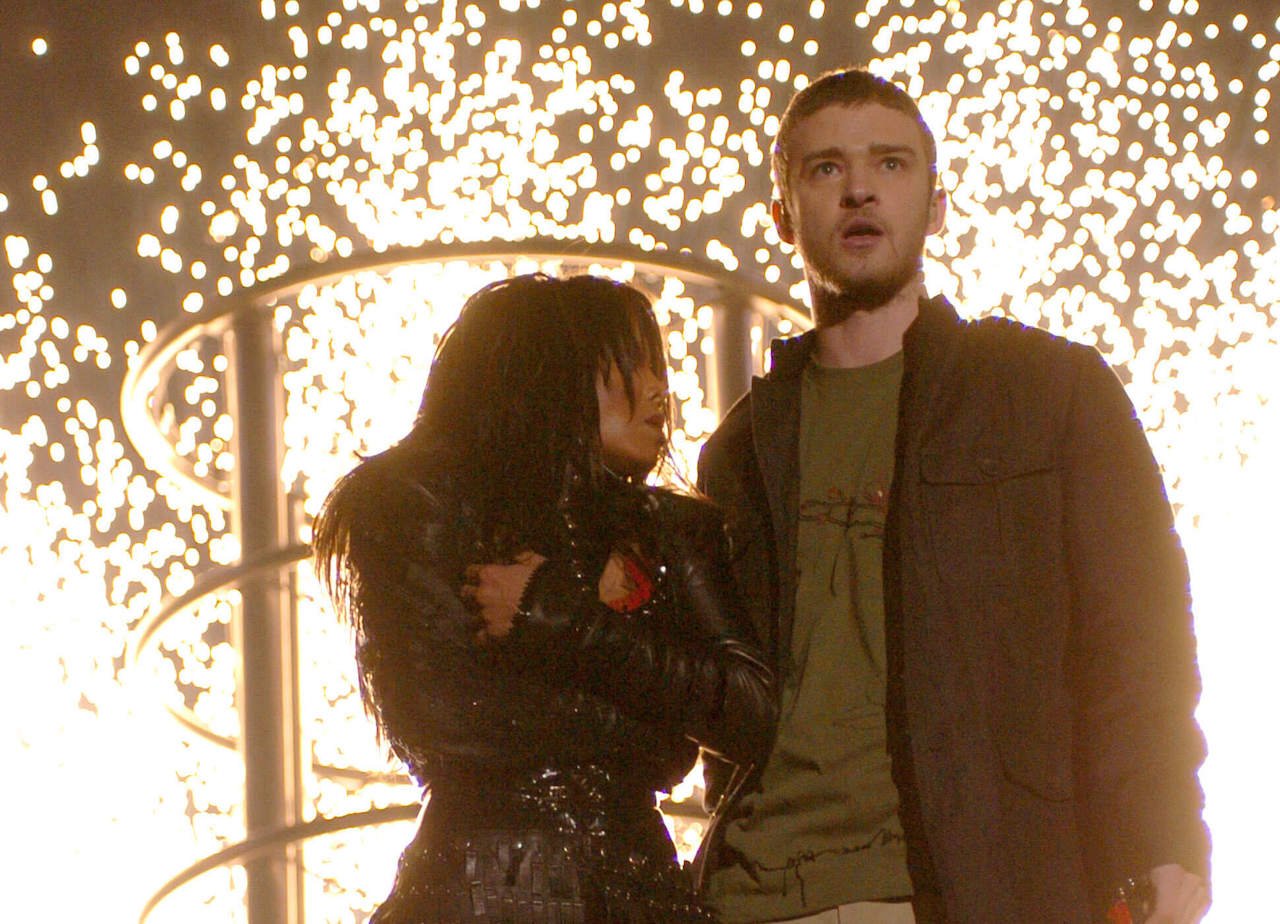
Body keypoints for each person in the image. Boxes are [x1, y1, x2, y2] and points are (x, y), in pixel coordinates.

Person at [694, 68, 1211, 924]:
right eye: (826, 168)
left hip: (960, 884)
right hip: (754, 892)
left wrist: (1160, 834)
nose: (860, 188)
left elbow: (1139, 634)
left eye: (890, 164)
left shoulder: (1047, 392)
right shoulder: (739, 450)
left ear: (936, 207)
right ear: (783, 215)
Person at [313, 273, 777, 923]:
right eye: (634, 364)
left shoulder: (673, 532)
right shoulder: (415, 509)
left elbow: (754, 712)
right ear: (555, 375)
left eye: (659, 367)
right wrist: (651, 721)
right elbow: (444, 722)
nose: (659, 390)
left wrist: (563, 621)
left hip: (631, 893)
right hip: (476, 890)